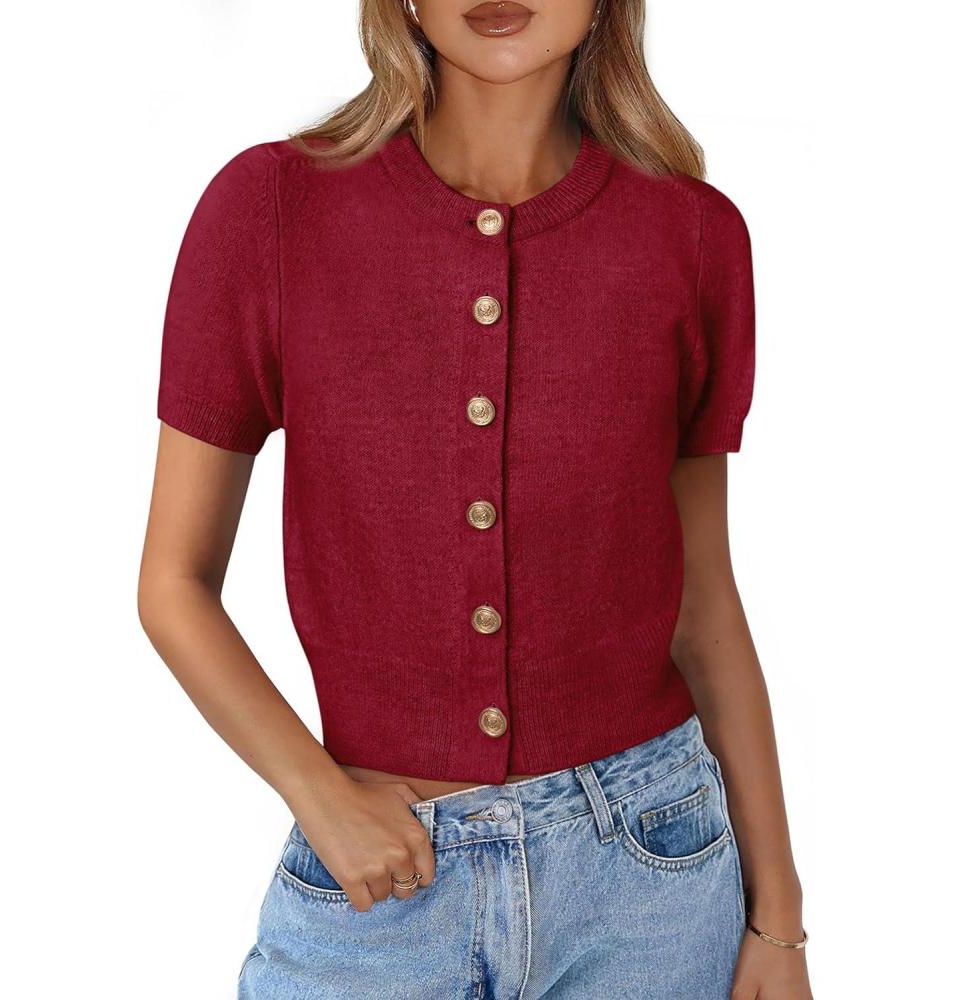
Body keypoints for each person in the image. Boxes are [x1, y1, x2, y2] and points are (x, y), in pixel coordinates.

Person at [138, 2, 813, 997]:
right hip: (378, 876)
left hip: (652, 878)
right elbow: (173, 584)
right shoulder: (274, 209)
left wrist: (779, 919)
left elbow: (702, 605)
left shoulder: (690, 235)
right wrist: (320, 796)